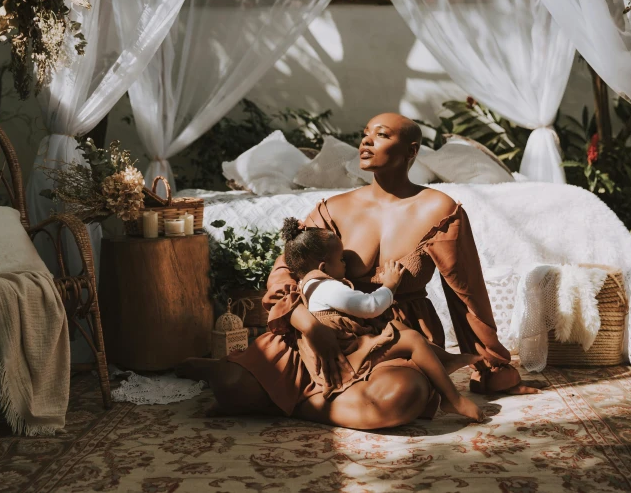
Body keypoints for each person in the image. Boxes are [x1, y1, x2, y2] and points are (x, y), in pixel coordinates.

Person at [179, 113, 539, 430]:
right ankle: (301, 399)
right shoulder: (333, 207)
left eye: (382, 135)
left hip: (393, 339)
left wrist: (493, 369)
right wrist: (308, 325)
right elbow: (287, 270)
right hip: (318, 328)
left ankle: (284, 402)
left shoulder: (439, 209)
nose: (366, 140)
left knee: (401, 398)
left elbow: (467, 293)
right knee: (230, 382)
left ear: (411, 152)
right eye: (366, 133)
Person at [279, 216, 484, 422]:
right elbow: (369, 307)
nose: (345, 265)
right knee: (412, 339)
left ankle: (444, 360)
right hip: (346, 357)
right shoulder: (327, 288)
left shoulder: (307, 284)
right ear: (323, 267)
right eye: (341, 259)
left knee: (393, 326)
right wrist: (390, 285)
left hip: (349, 347)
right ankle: (453, 399)